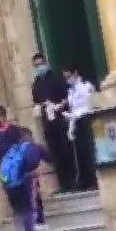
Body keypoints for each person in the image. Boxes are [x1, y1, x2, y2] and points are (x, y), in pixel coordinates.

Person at [30, 52, 75, 194]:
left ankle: (73, 180)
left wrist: (56, 105)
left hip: (60, 118)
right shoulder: (36, 84)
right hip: (47, 121)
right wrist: (40, 107)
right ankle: (63, 182)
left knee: (65, 149)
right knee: (54, 152)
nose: (39, 67)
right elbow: (36, 101)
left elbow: (66, 96)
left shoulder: (56, 79)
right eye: (36, 65)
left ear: (46, 63)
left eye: (41, 64)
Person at [64, 64, 99, 192]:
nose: (68, 79)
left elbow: (89, 104)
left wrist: (75, 115)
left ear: (75, 73)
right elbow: (73, 108)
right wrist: (70, 123)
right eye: (66, 77)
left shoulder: (86, 86)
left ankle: (94, 179)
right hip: (76, 121)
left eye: (69, 76)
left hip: (86, 119)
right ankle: (84, 180)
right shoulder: (71, 91)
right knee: (80, 153)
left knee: (89, 151)